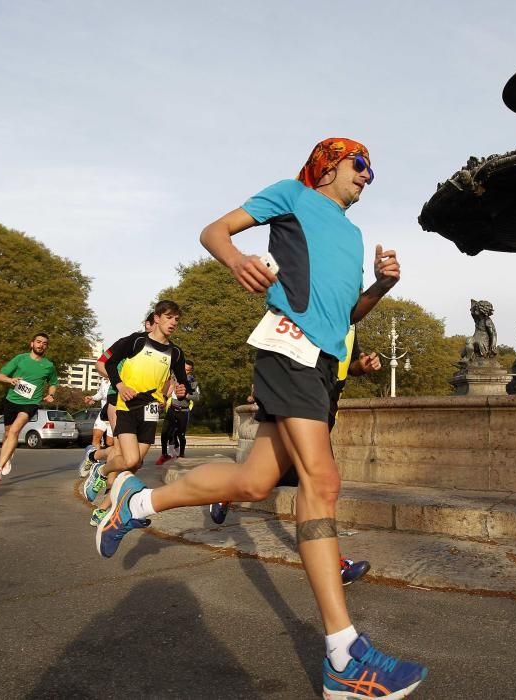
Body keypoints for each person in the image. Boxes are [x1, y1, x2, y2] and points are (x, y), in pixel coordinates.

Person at [93, 138, 427, 698]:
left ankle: (136, 502)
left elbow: (343, 314)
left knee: (254, 481)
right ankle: (344, 658)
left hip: (323, 362)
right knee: (321, 482)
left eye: (371, 170)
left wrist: (383, 285)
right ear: (328, 166)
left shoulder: (351, 234)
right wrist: (237, 260)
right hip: (287, 347)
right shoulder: (292, 194)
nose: (368, 177)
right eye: (360, 165)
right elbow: (214, 230)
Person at [211, 325, 381, 587]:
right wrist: (266, 383)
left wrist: (362, 364)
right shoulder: (313, 303)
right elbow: (278, 342)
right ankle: (333, 566)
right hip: (301, 403)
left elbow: (349, 364)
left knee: (264, 479)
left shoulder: (350, 323)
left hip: (325, 407)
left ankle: (218, 491)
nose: (355, 291)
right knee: (320, 486)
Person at [82, 301, 188, 509]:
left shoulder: (175, 352)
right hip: (126, 407)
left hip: (150, 411)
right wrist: (120, 385)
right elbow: (108, 363)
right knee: (129, 460)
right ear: (156, 319)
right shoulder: (136, 341)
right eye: (168, 317)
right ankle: (101, 472)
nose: (173, 322)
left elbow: (182, 381)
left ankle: (105, 509)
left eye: (176, 319)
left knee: (134, 465)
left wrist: (182, 390)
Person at [0, 333, 58, 481]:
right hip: (11, 400)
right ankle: (7, 457)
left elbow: (53, 382)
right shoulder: (20, 359)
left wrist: (51, 394)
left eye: (44, 343)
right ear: (32, 344)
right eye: (38, 342)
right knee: (8, 433)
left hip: (31, 403)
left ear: (46, 346)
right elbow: (0, 376)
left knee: (15, 430)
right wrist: (10, 380)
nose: (41, 345)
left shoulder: (48, 365)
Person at [155, 360, 200, 464]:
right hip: (172, 409)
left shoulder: (193, 383)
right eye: (183, 368)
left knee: (181, 435)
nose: (185, 371)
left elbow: (197, 397)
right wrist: (164, 399)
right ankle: (164, 455)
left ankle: (181, 454)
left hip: (183, 411)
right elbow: (169, 389)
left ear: (191, 371)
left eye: (188, 370)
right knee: (164, 433)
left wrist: (186, 396)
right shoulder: (174, 378)